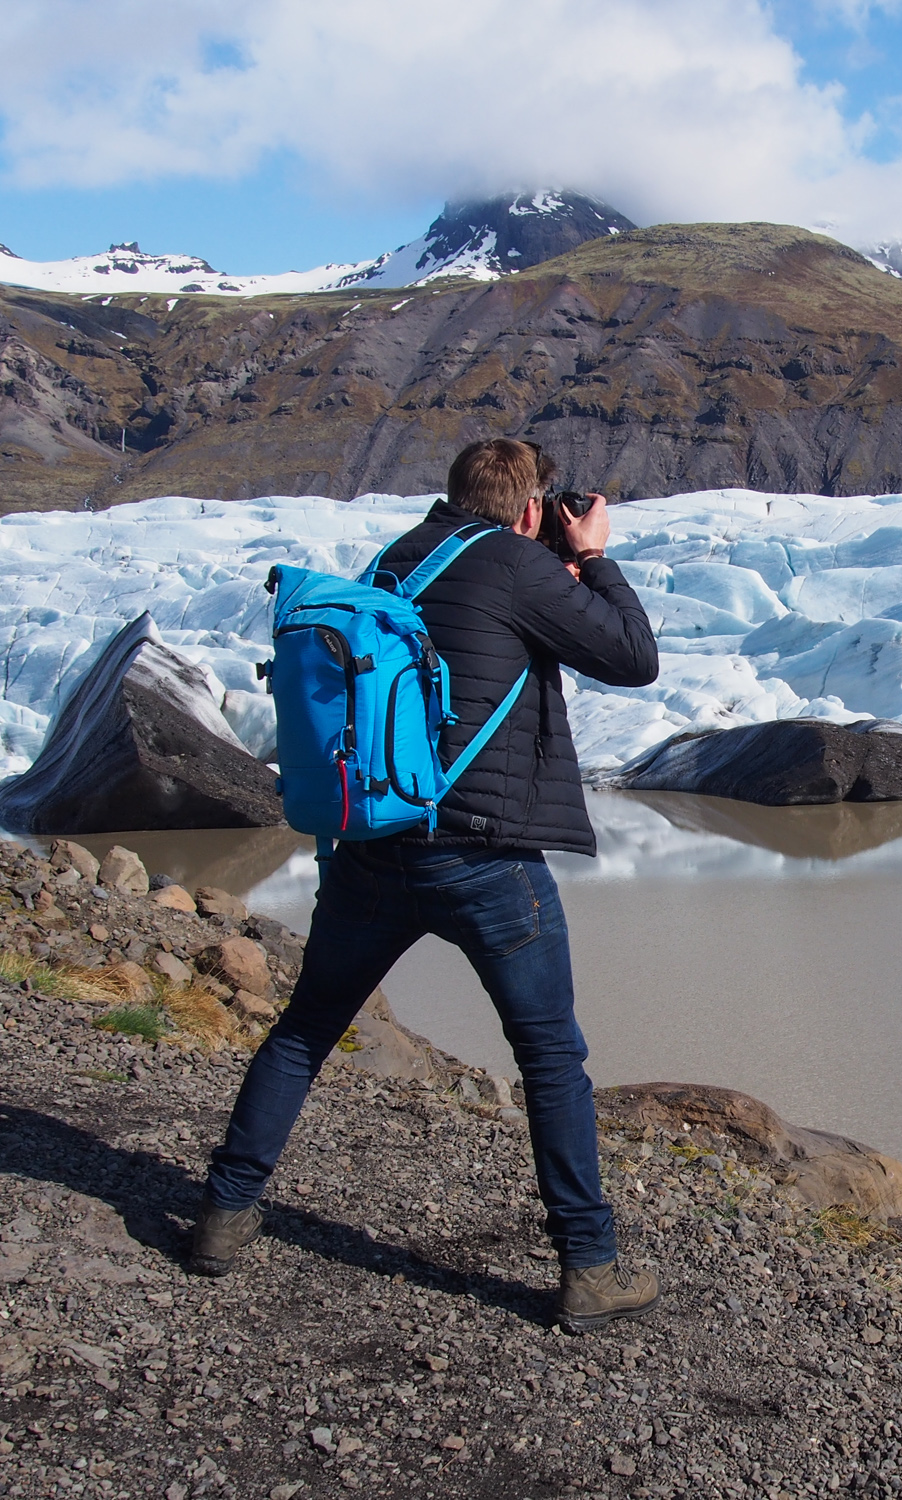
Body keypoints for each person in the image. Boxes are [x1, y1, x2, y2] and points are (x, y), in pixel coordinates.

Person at [193, 438, 663, 1334]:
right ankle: (590, 1268)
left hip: (374, 851)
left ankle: (221, 1215)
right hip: (485, 860)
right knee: (552, 1061)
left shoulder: (393, 561)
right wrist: (591, 558)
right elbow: (632, 657)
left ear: (451, 496)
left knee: (302, 1033)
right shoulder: (523, 564)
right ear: (529, 510)